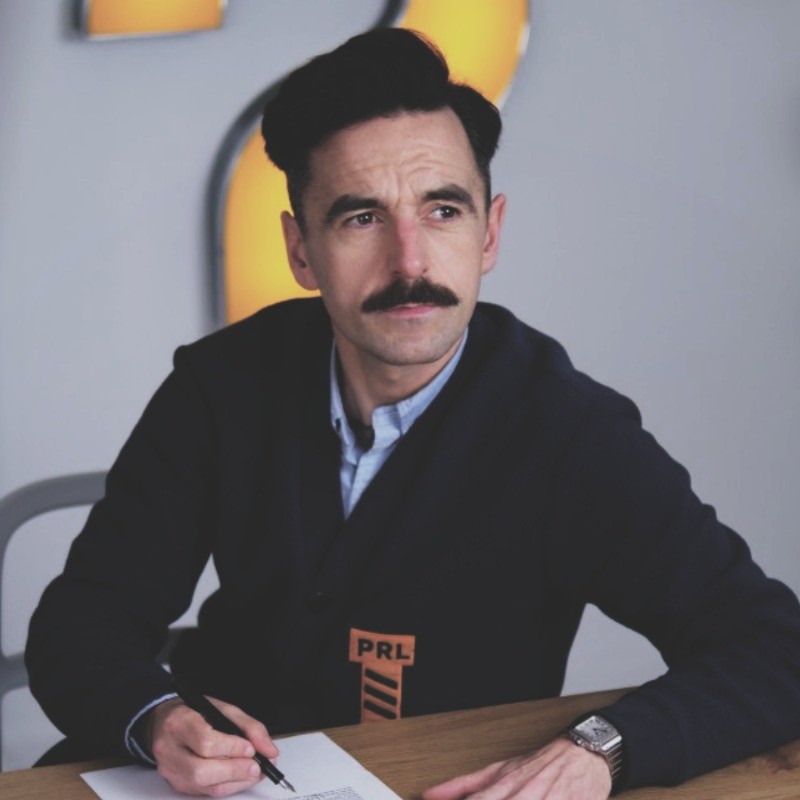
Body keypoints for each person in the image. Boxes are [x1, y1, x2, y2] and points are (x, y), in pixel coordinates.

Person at [26, 28, 800, 800]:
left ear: (489, 232)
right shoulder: (220, 385)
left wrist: (599, 751)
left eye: (443, 210)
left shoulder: (570, 433)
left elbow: (775, 650)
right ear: (301, 251)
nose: (410, 262)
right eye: (361, 218)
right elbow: (81, 623)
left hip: (445, 782)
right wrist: (156, 717)